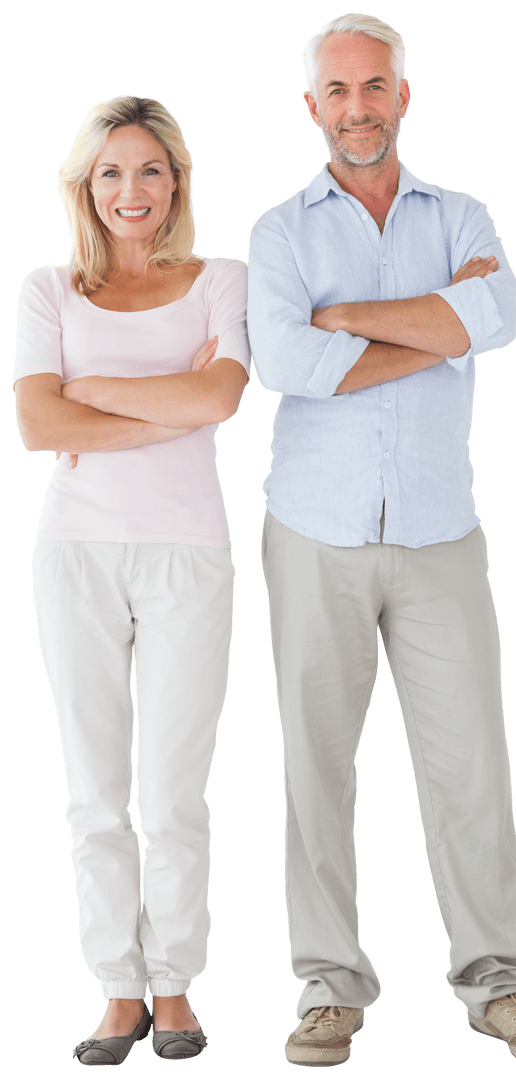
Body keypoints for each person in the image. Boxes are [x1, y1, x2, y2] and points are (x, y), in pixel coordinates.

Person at [248, 13, 516, 1068]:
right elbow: (289, 367)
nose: (358, 108)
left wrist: (353, 318)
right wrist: (437, 328)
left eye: (375, 87)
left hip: (445, 534)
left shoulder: (465, 212)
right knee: (318, 767)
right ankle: (328, 988)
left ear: (405, 95)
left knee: (474, 766)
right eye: (338, 91)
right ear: (314, 107)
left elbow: (507, 312)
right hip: (315, 535)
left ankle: (498, 986)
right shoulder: (280, 233)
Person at [13, 93, 249, 1067]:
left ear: (178, 182)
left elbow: (224, 393)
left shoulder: (219, 279)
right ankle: (117, 990)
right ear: (85, 185)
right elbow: (37, 426)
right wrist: (166, 405)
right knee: (94, 793)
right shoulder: (48, 290)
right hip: (76, 554)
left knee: (176, 794)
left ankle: (175, 985)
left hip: (188, 552)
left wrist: (94, 391)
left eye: (150, 169)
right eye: (111, 171)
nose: (131, 189)